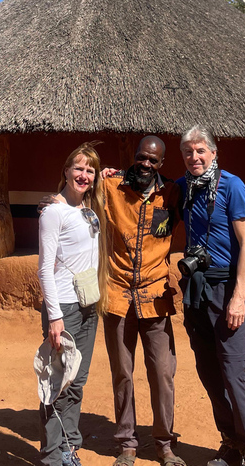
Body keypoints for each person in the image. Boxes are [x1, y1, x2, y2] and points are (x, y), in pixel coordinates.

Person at [176, 127, 245, 466]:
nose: (194, 157)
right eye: (187, 152)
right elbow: (146, 187)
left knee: (234, 369)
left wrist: (238, 297)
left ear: (213, 152)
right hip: (196, 289)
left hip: (227, 288)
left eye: (200, 151)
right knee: (209, 369)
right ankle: (230, 441)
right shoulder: (183, 187)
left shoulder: (232, 186)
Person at [101, 136, 185, 466]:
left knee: (162, 373)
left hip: (155, 296)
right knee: (122, 372)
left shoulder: (171, 194)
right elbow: (77, 181)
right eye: (141, 157)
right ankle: (127, 443)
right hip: (118, 294)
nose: (146, 164)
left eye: (153, 160)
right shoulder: (112, 187)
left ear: (162, 164)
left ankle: (164, 442)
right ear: (133, 158)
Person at [37, 143, 110, 466]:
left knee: (77, 380)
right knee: (58, 382)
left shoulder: (88, 210)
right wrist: (54, 318)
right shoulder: (53, 212)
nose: (83, 175)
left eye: (89, 170)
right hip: (64, 308)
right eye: (78, 168)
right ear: (65, 171)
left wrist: (106, 177)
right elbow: (45, 267)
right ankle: (53, 455)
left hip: (89, 305)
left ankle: (69, 447)